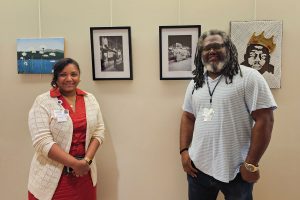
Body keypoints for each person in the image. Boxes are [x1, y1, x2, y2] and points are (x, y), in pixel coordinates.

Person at [180, 30, 277, 200]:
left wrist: (251, 164)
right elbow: (188, 117)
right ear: (200, 54)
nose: (211, 51)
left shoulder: (248, 77)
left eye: (217, 46)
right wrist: (183, 152)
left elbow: (265, 120)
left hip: (237, 171)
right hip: (198, 170)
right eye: (206, 48)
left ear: (229, 49)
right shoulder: (195, 83)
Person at [27, 58, 105, 200]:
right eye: (63, 75)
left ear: (79, 77)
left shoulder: (90, 99)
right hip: (52, 178)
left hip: (84, 175)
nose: (69, 79)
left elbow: (99, 131)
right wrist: (75, 164)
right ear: (56, 77)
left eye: (74, 74)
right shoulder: (43, 101)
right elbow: (42, 141)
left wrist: (85, 162)